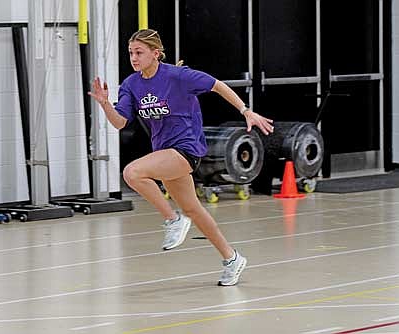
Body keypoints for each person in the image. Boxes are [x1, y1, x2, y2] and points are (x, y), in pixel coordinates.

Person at [88, 29, 274, 286]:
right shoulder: (131, 84)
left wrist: (245, 110)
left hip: (187, 148)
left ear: (156, 53)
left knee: (132, 173)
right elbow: (120, 123)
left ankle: (172, 219)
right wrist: (105, 104)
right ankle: (232, 258)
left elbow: (217, 85)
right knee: (193, 209)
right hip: (164, 151)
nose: (134, 57)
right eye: (131, 53)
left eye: (139, 52)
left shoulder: (178, 76)